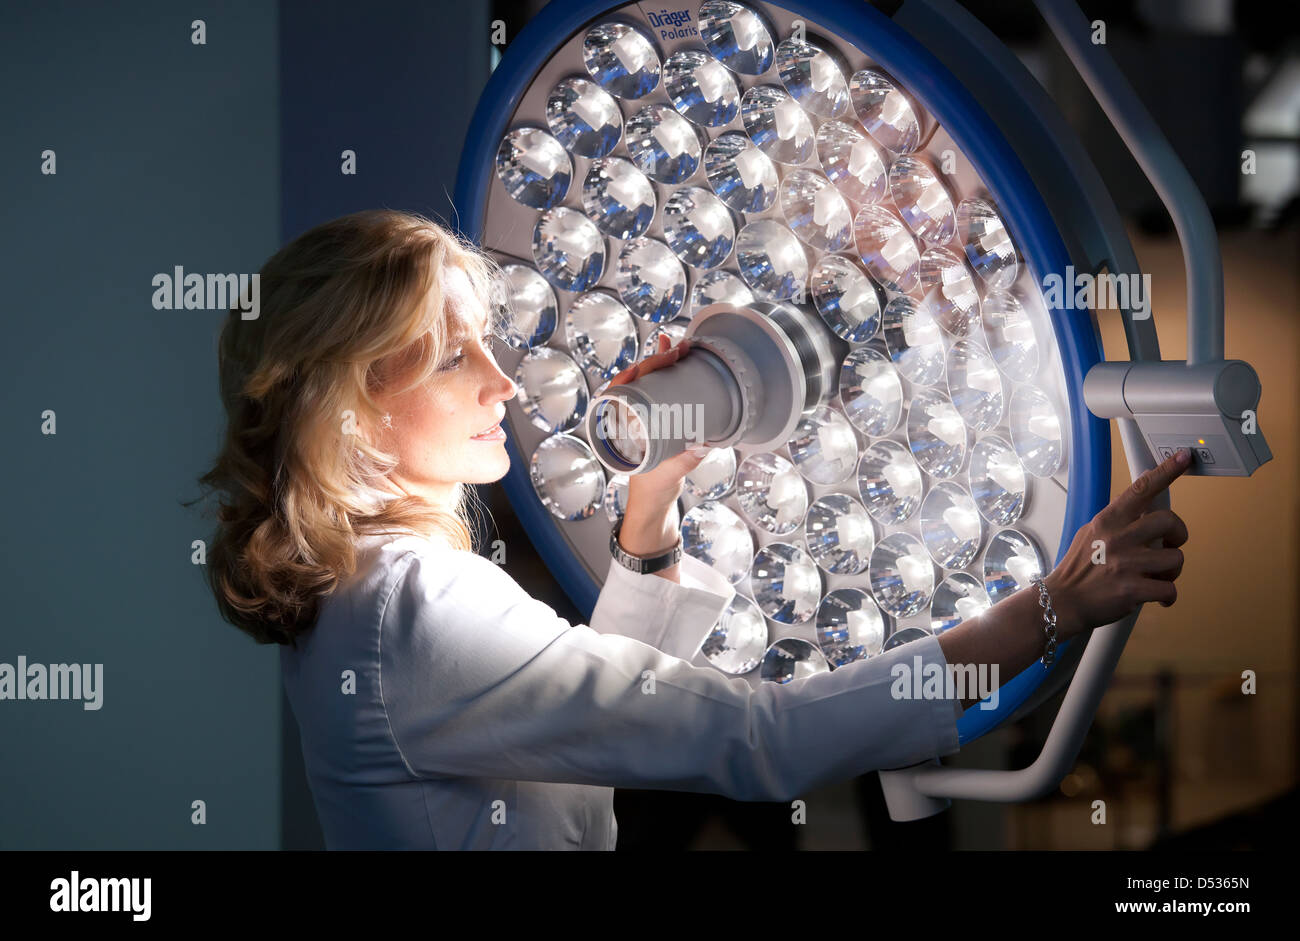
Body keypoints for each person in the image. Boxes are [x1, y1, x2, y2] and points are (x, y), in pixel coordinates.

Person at [195, 208, 1191, 850]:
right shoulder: (413, 607)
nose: (502, 382)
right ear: (353, 407)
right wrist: (1047, 609)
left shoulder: (376, 596)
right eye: (454, 358)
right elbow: (757, 740)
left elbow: (582, 730)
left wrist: (651, 503)